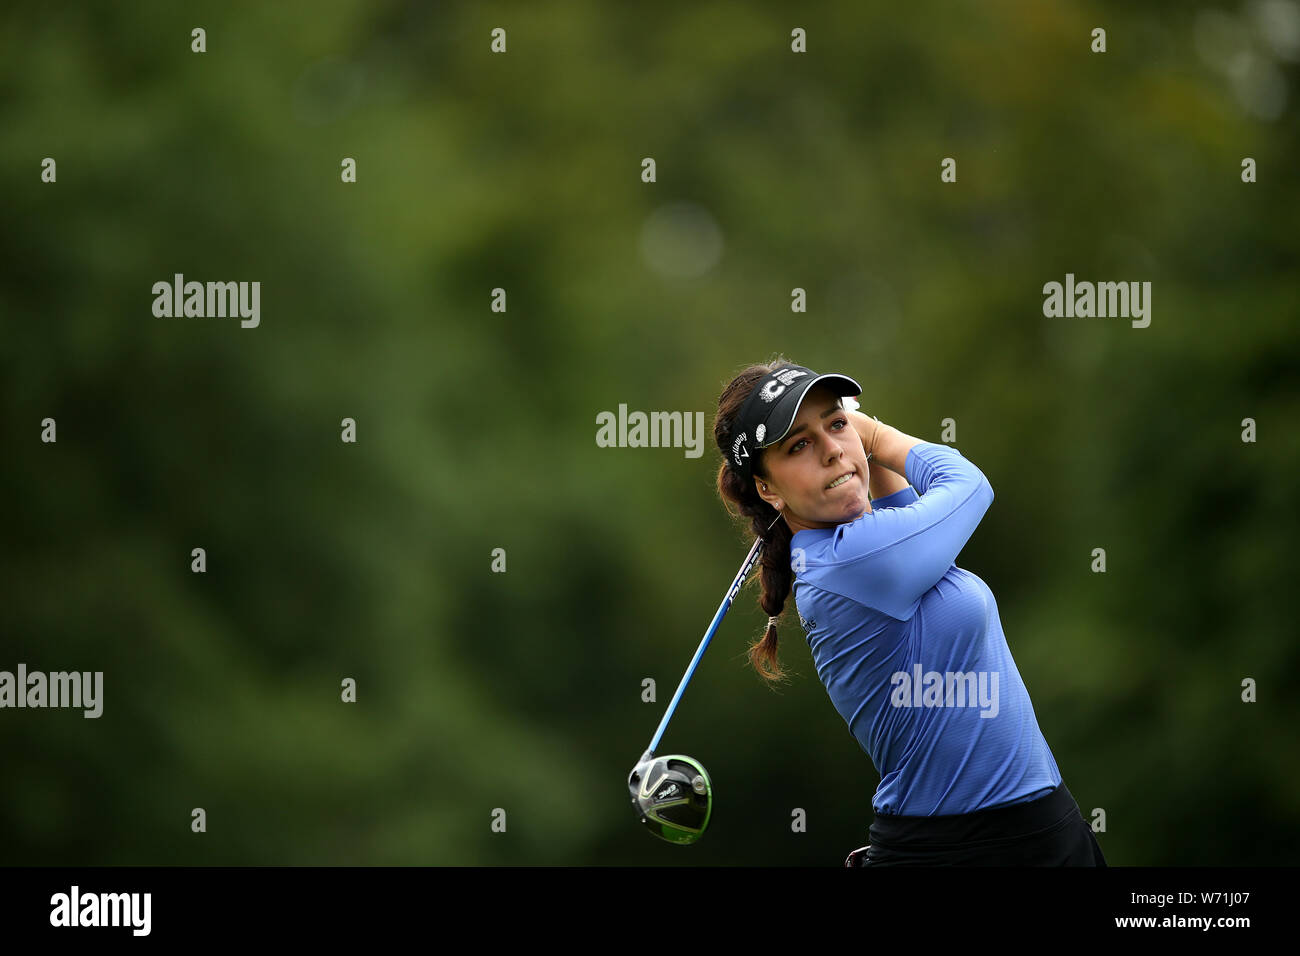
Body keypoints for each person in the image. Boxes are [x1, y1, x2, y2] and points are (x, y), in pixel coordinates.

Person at [711, 357, 1106, 866]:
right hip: (966, 849)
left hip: (1042, 826)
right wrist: (872, 435)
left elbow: (902, 512)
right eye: (799, 445)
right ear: (767, 489)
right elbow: (968, 486)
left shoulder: (859, 547)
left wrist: (860, 458)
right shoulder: (849, 561)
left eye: (836, 424)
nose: (832, 449)